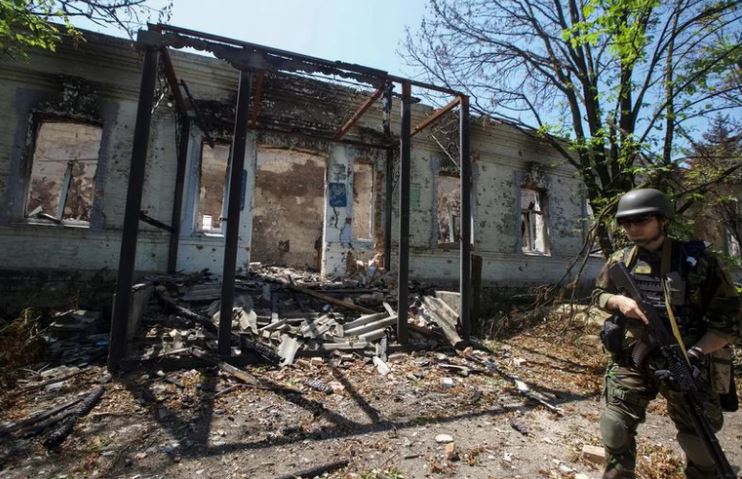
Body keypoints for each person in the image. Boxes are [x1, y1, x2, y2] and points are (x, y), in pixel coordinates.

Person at [592, 188, 741, 479]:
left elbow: (729, 322)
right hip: (633, 358)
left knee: (698, 440)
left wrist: (695, 354)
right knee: (615, 426)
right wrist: (617, 301)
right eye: (626, 223)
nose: (633, 228)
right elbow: (598, 293)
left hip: (687, 361)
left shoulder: (698, 262)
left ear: (662, 220)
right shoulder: (620, 261)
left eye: (641, 220)